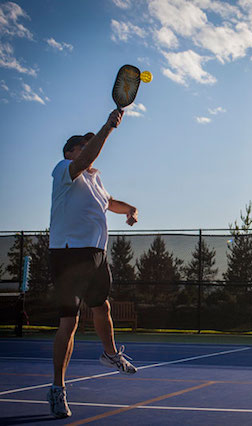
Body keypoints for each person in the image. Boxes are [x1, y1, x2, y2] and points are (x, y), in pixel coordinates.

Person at [47, 109, 138, 419]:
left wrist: (132, 209)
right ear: (71, 151)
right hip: (68, 254)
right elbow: (84, 160)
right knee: (69, 323)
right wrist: (108, 127)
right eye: (83, 145)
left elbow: (111, 203)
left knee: (103, 308)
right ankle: (58, 389)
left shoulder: (97, 182)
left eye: (90, 143)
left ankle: (110, 354)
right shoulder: (64, 169)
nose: (88, 148)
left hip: (96, 255)